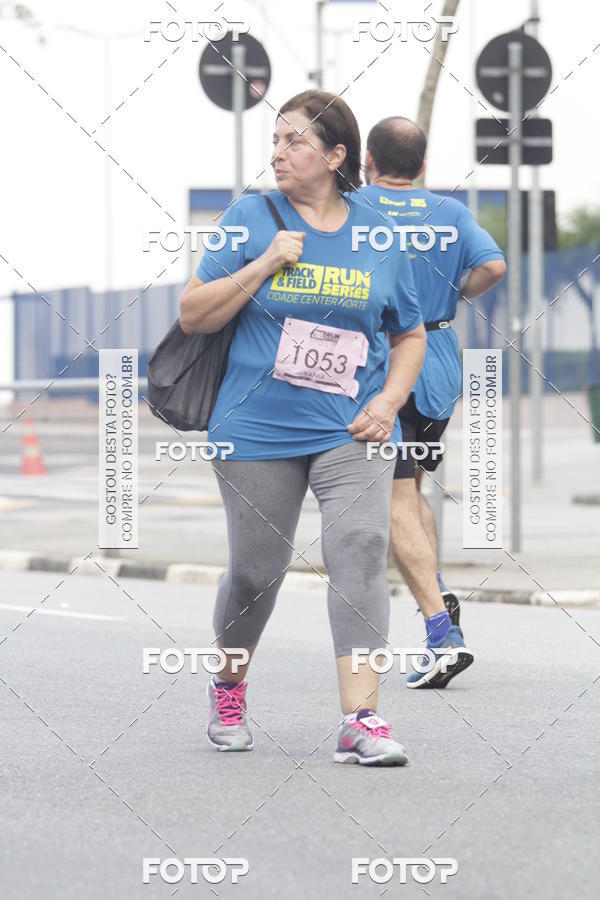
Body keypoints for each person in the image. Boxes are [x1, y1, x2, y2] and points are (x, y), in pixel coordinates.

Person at [179, 92, 426, 765]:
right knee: (257, 573)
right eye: (276, 140)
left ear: (336, 155)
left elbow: (408, 334)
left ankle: (362, 720)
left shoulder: (378, 232)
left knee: (361, 548)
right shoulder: (251, 218)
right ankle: (229, 687)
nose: (278, 153)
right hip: (255, 429)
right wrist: (263, 264)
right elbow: (194, 313)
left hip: (352, 426)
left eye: (294, 142)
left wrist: (390, 402)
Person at [359, 116, 506, 688]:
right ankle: (436, 584)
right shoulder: (448, 212)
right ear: (422, 166)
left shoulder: (353, 208)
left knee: (390, 498)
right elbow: (493, 265)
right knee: (409, 484)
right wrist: (451, 297)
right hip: (440, 363)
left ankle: (441, 632)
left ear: (368, 160)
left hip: (382, 363)